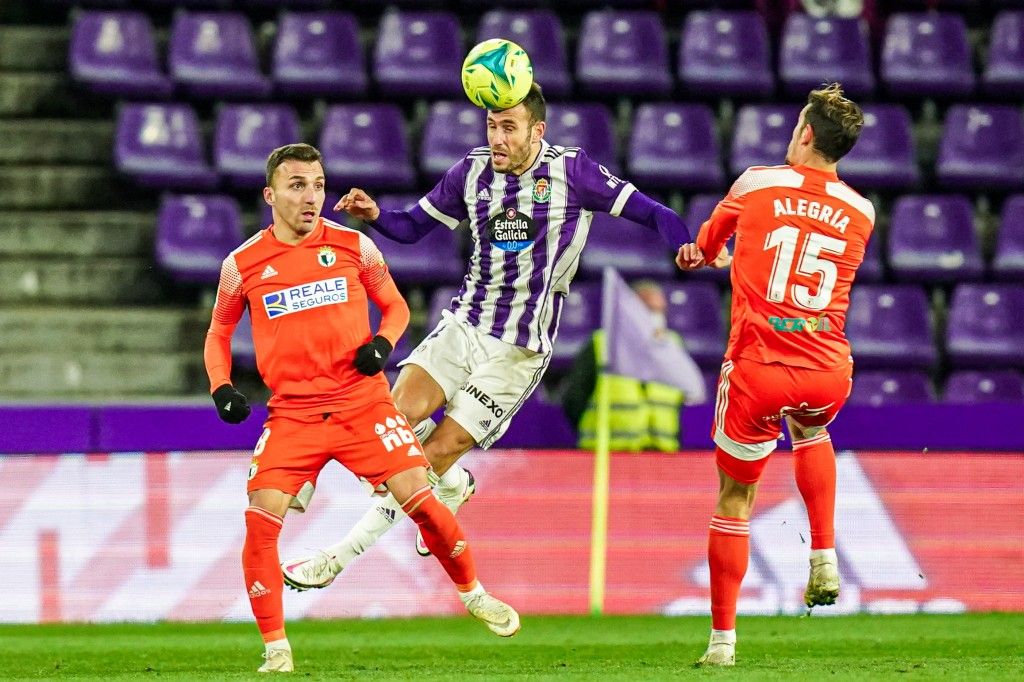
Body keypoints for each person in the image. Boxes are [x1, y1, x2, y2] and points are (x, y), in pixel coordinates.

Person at [282, 82, 692, 587]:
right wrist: (376, 216)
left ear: (536, 131)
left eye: (509, 128)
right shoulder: (471, 172)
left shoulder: (572, 171)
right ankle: (451, 487)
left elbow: (656, 212)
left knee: (427, 459)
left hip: (518, 350)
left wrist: (686, 244)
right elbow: (413, 227)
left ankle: (335, 559)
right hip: (465, 324)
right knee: (390, 423)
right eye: (492, 126)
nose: (497, 138)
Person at [204, 143, 520, 674]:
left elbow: (395, 306)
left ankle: (475, 595)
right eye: (298, 185)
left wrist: (382, 345)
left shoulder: (353, 245)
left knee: (421, 501)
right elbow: (218, 332)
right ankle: (277, 650)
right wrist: (221, 387)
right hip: (294, 414)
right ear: (270, 194)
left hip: (362, 404)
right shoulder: (242, 264)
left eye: (319, 185)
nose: (311, 197)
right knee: (261, 522)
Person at [676, 83, 873, 667]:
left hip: (759, 368)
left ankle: (722, 644)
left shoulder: (758, 182)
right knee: (812, 432)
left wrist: (698, 254)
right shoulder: (861, 212)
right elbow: (809, 262)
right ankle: (824, 553)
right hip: (826, 368)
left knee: (735, 497)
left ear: (806, 133)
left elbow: (709, 246)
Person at [562, 280, 703, 452]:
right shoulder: (602, 345)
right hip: (607, 454)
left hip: (660, 457)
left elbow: (683, 401)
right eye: (649, 309)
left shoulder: (672, 346)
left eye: (660, 310)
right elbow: (574, 400)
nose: (656, 317)